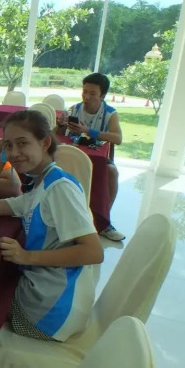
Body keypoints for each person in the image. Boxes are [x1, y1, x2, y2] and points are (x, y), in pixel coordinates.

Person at [0, 109, 103, 341]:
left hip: (49, 313)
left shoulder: (59, 188)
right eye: (9, 145)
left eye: (22, 143)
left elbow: (94, 252)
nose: (14, 153)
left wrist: (25, 256)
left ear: (45, 143)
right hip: (47, 297)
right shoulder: (39, 187)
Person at [56, 72, 124, 241]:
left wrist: (89, 131)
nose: (86, 97)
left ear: (102, 95)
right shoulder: (74, 109)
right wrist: (60, 124)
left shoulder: (110, 113)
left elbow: (118, 138)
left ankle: (104, 222)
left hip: (98, 156)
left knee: (112, 172)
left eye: (92, 93)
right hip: (74, 153)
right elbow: (57, 135)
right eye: (84, 91)